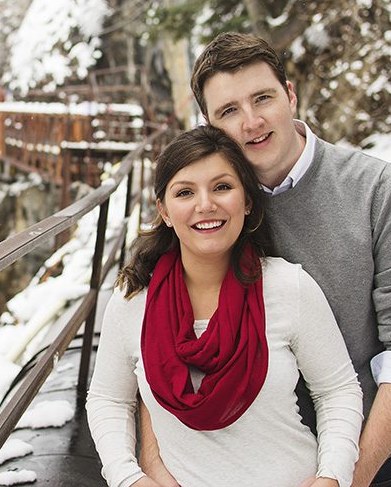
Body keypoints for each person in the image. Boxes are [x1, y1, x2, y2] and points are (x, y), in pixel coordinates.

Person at [138, 33, 391, 487]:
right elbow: (156, 328)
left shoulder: (377, 190)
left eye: (263, 97)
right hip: (227, 459)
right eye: (229, 111)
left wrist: (349, 476)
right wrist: (152, 458)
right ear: (208, 124)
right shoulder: (207, 211)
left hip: (360, 451)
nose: (252, 121)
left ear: (291, 94)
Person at [86, 125, 363, 487]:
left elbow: (337, 391)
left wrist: (332, 476)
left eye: (222, 187)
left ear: (247, 201)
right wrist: (127, 477)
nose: (205, 205)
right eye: (185, 192)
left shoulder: (287, 287)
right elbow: (108, 399)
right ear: (164, 211)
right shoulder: (132, 302)